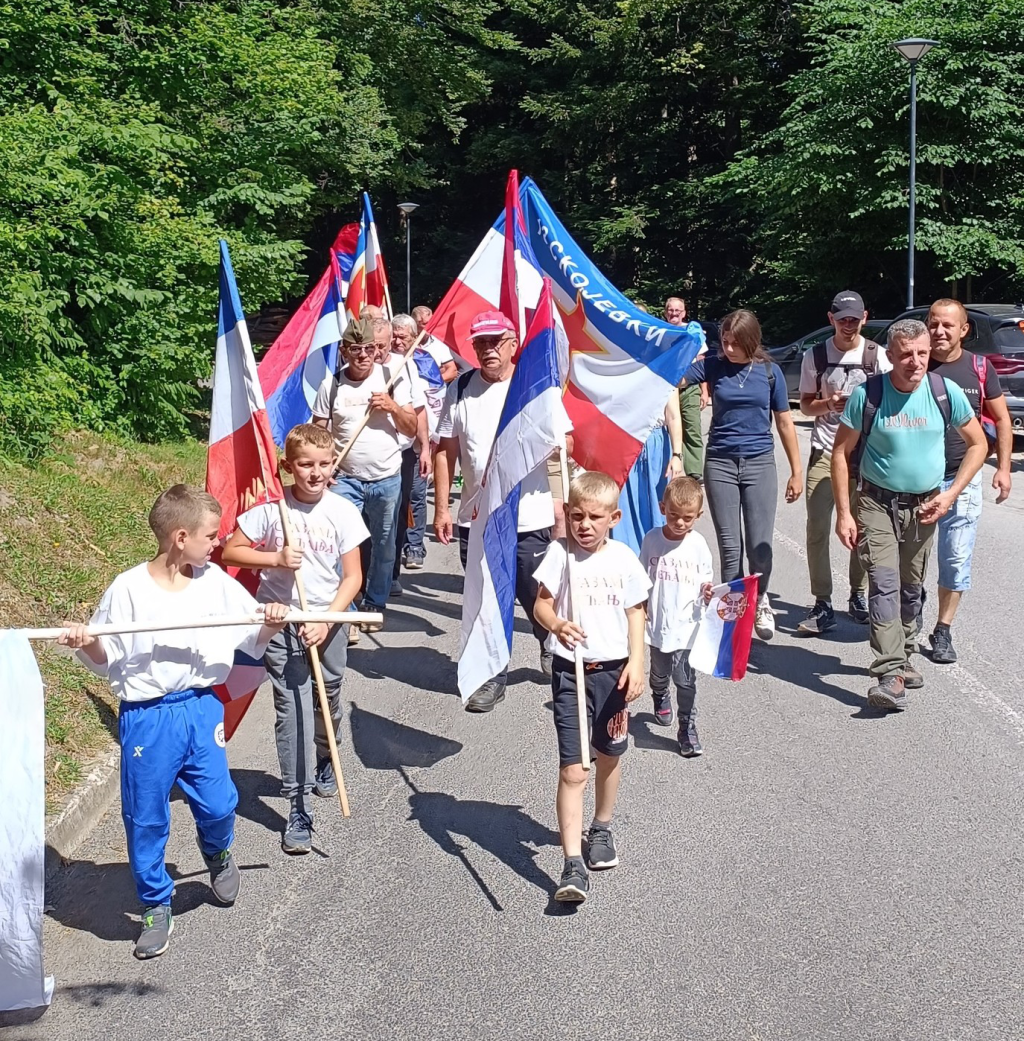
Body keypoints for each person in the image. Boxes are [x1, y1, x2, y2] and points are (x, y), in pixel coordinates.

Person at [59, 485, 289, 959]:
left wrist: (270, 622)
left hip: (201, 706)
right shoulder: (128, 589)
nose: (217, 543)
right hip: (148, 717)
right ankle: (155, 904)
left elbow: (251, 636)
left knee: (220, 802)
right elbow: (107, 659)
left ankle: (218, 850)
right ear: (180, 536)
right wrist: (86, 642)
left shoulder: (215, 581)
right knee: (146, 816)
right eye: (211, 535)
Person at [222, 424, 368, 854]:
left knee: (329, 699)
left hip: (328, 619)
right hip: (280, 622)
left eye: (324, 464)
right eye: (305, 465)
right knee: (293, 710)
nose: (315, 473)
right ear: (288, 466)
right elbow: (231, 550)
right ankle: (297, 804)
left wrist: (327, 621)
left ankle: (327, 753)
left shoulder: (343, 512)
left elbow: (353, 577)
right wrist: (276, 558)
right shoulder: (271, 510)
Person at [832, 319, 986, 711]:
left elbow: (978, 444)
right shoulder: (868, 395)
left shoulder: (943, 392)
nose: (915, 362)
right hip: (876, 502)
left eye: (922, 353)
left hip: (925, 504)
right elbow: (840, 453)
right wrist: (845, 513)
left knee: (910, 586)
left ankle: (903, 653)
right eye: (906, 355)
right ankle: (890, 672)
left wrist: (951, 494)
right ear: (889, 355)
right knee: (883, 582)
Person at [532, 471, 650, 904]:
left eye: (595, 517)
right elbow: (541, 604)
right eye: (577, 515)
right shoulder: (558, 555)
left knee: (608, 756)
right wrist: (557, 624)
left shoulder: (622, 559)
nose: (584, 524)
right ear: (566, 514)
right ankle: (572, 864)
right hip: (571, 672)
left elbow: (636, 612)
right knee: (574, 768)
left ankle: (601, 827)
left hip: (614, 673)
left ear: (613, 518)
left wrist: (638, 661)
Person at [433, 310, 555, 712]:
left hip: (530, 515)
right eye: (480, 343)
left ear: (512, 343)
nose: (487, 350)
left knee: (529, 590)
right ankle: (492, 675)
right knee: (486, 594)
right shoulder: (462, 387)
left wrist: (561, 500)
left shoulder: (535, 384)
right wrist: (442, 507)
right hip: (477, 517)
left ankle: (548, 638)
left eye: (495, 342)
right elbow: (445, 450)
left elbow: (561, 446)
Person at [680, 309, 803, 640]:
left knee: (759, 546)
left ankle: (760, 600)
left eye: (736, 343)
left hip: (760, 462)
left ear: (752, 341)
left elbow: (785, 422)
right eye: (725, 341)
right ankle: (732, 609)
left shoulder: (770, 372)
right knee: (730, 545)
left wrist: (796, 470)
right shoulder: (713, 365)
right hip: (720, 462)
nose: (729, 348)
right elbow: (675, 378)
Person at [312, 318, 416, 629]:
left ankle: (374, 603)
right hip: (345, 478)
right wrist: (323, 466)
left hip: (386, 477)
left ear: (377, 351)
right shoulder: (331, 385)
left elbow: (411, 426)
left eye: (369, 348)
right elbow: (319, 432)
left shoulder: (392, 378)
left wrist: (393, 408)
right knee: (343, 543)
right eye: (355, 349)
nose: (363, 355)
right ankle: (348, 604)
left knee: (384, 544)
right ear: (344, 351)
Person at [797, 290, 892, 634]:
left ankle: (858, 594)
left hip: (864, 455)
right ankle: (822, 602)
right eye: (842, 319)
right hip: (824, 450)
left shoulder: (878, 357)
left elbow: (890, 403)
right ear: (831, 319)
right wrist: (829, 404)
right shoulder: (816, 356)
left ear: (864, 317)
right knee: (818, 529)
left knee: (863, 529)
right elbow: (806, 405)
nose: (848, 325)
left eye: (854, 319)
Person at [924, 299, 1013, 663]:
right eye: (933, 324)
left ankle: (943, 630)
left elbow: (1002, 419)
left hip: (962, 476)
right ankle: (911, 609)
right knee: (909, 559)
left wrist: (1004, 468)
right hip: (916, 482)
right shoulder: (913, 362)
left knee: (956, 558)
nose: (939, 332)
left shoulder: (979, 367)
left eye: (948, 325)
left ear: (964, 330)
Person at [639, 476, 714, 756]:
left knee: (685, 678)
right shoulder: (652, 540)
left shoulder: (698, 545)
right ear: (662, 508)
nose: (680, 523)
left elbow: (707, 579)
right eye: (674, 515)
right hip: (659, 624)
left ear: (698, 516)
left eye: (687, 518)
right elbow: (642, 577)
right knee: (660, 672)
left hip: (687, 626)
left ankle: (687, 727)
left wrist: (707, 591)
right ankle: (659, 694)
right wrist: (640, 609)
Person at [387, 314, 434, 580]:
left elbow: (421, 409)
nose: (397, 341)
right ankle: (387, 571)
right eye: (394, 335)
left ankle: (413, 546)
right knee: (389, 511)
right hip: (380, 452)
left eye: (403, 336)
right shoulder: (379, 363)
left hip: (408, 449)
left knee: (411, 499)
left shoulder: (416, 364)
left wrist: (425, 447)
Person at [612, 393, 684, 553]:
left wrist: (677, 455)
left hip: (656, 446)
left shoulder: (664, 369)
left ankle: (659, 556)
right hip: (624, 443)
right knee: (625, 507)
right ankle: (627, 558)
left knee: (658, 505)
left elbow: (673, 417)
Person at [665, 296, 709, 479]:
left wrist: (704, 391)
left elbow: (702, 363)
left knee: (692, 428)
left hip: (689, 387)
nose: (674, 313)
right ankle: (672, 469)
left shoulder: (693, 333)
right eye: (671, 310)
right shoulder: (660, 332)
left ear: (684, 313)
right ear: (665, 312)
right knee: (668, 428)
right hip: (666, 388)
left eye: (678, 310)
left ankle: (694, 473)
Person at [412, 304, 459, 383]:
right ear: (415, 325)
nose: (429, 327)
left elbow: (452, 371)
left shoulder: (439, 344)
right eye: (424, 324)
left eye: (431, 323)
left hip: (435, 391)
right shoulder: (406, 345)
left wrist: (431, 382)